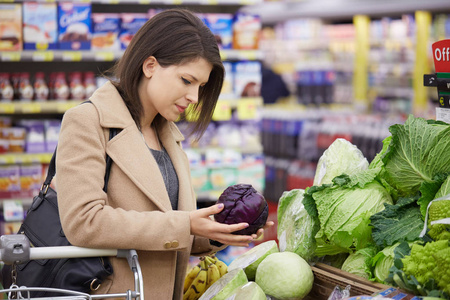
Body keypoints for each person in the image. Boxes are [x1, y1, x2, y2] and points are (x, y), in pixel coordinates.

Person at [55, 8, 273, 300]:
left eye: (201, 86)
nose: (195, 98)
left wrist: (216, 232)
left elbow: (169, 232)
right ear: (150, 66)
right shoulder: (87, 121)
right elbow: (84, 223)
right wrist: (185, 224)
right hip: (108, 293)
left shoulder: (168, 136)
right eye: (187, 80)